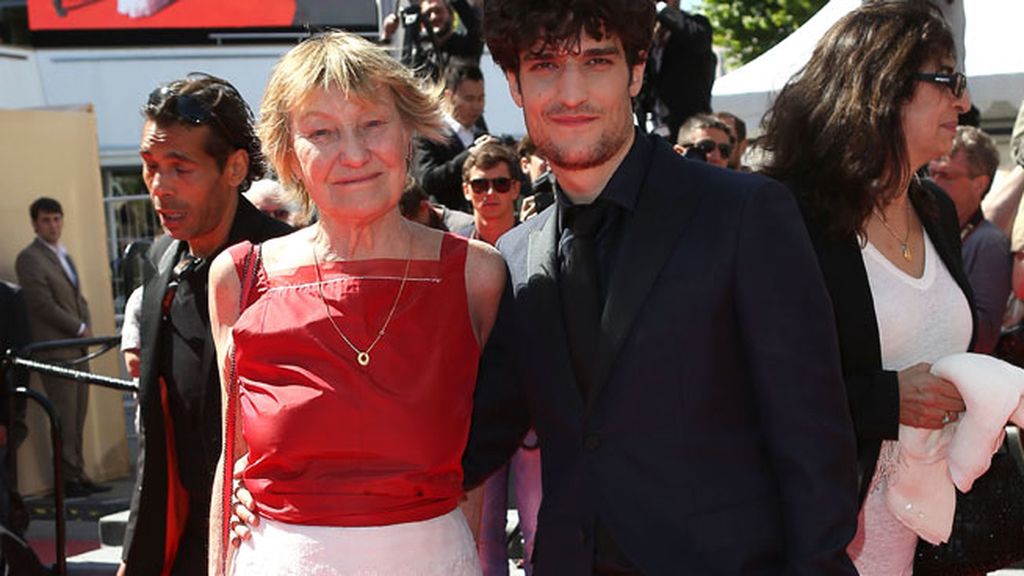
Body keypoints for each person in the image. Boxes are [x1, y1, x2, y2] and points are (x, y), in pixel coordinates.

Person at [462, 1, 860, 574]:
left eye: (597, 61)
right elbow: (474, 437)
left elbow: (814, 442)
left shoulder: (743, 214)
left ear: (637, 69)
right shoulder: (516, 256)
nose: (571, 92)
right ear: (513, 82)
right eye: (545, 64)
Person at [207, 31, 505, 576]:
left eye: (372, 124)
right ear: (289, 156)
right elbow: (233, 461)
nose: (353, 154)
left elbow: (478, 469)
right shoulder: (240, 278)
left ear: (409, 136)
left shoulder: (477, 275)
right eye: (321, 132)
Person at [759, 3, 973, 574]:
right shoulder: (787, 217)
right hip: (828, 538)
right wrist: (886, 400)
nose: (964, 102)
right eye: (948, 80)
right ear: (884, 87)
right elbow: (753, 384)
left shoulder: (938, 210)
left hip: (932, 537)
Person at [118, 73, 292, 576]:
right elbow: (157, 428)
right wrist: (137, 553)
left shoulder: (287, 265)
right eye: (151, 167)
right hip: (184, 546)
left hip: (265, 538)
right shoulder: (160, 261)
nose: (159, 188)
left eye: (180, 168)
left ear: (235, 167)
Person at [452, 140, 541, 576]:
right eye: (480, 184)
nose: (491, 193)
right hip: (472, 418)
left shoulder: (536, 245)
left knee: (539, 528)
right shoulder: (451, 255)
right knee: (480, 538)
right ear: (466, 191)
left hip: (531, 419)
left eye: (500, 184)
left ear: (516, 189)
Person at [14, 197, 106, 499]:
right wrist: (79, 328)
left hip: (78, 348)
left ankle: (78, 473)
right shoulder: (30, 258)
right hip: (58, 350)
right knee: (64, 416)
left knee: (78, 416)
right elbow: (42, 305)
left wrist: (85, 329)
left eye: (56, 219)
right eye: (46, 220)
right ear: (35, 224)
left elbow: (76, 298)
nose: (53, 225)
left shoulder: (61, 253)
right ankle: (66, 480)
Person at [928, 126, 1009, 354]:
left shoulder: (988, 243)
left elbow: (983, 338)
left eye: (945, 175)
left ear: (979, 184)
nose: (932, 183)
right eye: (930, 172)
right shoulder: (924, 230)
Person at [634, 0, 715, 143]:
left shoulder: (696, 25)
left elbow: (697, 39)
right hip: (654, 125)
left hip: (689, 128)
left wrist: (660, 7)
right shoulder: (648, 35)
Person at [413, 64, 491, 212]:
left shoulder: (482, 136)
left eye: (481, 99)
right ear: (449, 96)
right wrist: (469, 156)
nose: (476, 106)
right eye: (469, 99)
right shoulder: (429, 134)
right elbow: (426, 181)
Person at [381, 0, 484, 81]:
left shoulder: (467, 46)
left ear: (452, 17)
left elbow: (477, 30)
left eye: (438, 11)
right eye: (428, 14)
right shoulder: (417, 53)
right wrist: (386, 36)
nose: (434, 17)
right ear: (421, 23)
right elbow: (385, 75)